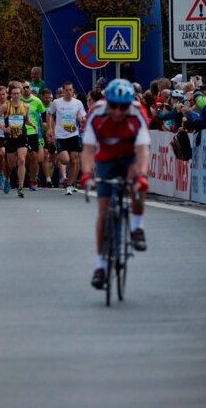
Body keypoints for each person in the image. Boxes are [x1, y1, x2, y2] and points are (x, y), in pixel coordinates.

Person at [78, 78, 150, 291]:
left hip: (130, 154)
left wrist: (142, 176)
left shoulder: (138, 113)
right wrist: (86, 175)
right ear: (106, 102)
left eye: (123, 106)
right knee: (103, 211)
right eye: (114, 106)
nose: (118, 111)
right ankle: (100, 267)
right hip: (106, 157)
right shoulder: (96, 113)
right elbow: (89, 149)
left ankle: (137, 227)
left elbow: (143, 151)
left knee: (137, 181)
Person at [47, 82, 86, 195]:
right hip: (61, 136)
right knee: (65, 160)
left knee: (74, 160)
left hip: (73, 135)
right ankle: (58, 159)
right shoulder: (56, 102)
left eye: (70, 90)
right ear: (63, 91)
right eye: (66, 90)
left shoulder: (78, 103)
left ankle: (69, 184)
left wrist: (82, 119)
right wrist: (50, 128)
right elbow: (49, 114)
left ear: (73, 91)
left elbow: (83, 116)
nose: (68, 92)